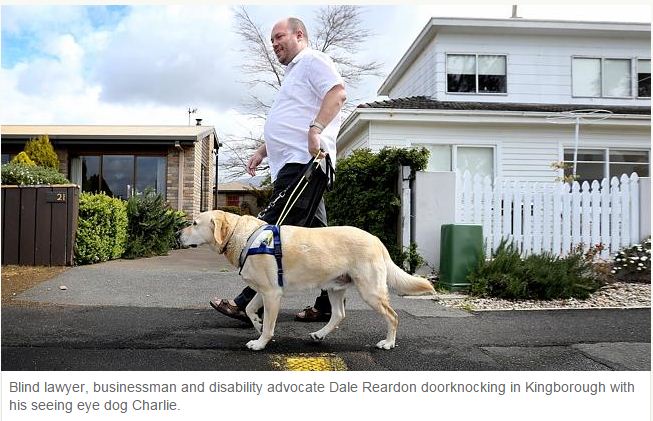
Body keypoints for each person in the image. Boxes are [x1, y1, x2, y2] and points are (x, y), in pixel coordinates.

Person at [210, 16, 347, 323]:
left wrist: (317, 129)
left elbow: (337, 93)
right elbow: (290, 119)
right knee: (321, 240)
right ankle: (328, 304)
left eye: (279, 37)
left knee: (270, 231)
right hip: (292, 163)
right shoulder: (294, 72)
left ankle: (248, 304)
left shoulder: (313, 60)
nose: (274, 44)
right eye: (272, 40)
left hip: (304, 164)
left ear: (300, 35)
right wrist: (263, 150)